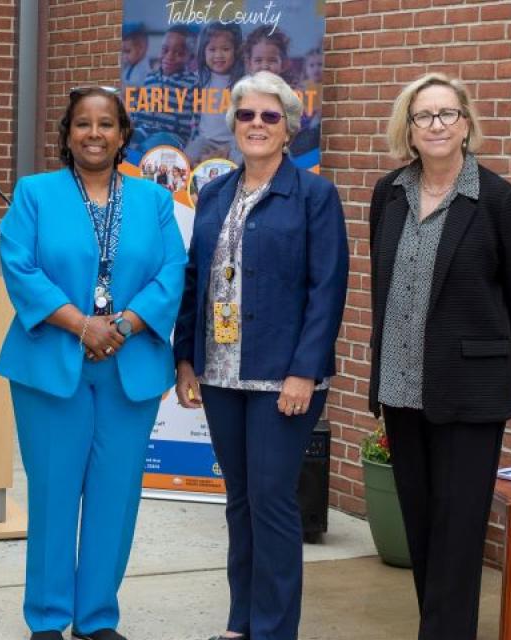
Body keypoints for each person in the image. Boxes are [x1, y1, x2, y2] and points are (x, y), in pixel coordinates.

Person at [0, 86, 186, 640]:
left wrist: (123, 324)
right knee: (53, 494)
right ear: (67, 135)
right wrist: (82, 325)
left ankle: (98, 617)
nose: (95, 134)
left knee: (116, 494)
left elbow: (173, 269)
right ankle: (49, 620)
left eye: (107, 124)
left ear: (124, 134)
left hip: (130, 365)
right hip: (52, 364)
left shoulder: (153, 200)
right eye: (83, 124)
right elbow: (21, 267)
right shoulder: (34, 193)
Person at [173, 71, 348, 640]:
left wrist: (305, 371)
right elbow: (195, 278)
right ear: (234, 125)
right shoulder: (215, 192)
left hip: (282, 378)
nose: (256, 125)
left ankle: (274, 629)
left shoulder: (315, 196)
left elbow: (328, 288)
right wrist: (186, 359)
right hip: (221, 371)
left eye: (270, 117)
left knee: (272, 502)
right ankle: (240, 622)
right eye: (246, 115)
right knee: (240, 502)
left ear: (289, 127)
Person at [368, 73, 511, 640]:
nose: (435, 125)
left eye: (446, 114)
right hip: (400, 389)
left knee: (459, 534)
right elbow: (382, 286)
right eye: (423, 116)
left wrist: (479, 360)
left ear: (466, 123)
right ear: (409, 130)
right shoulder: (388, 194)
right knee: (421, 529)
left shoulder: (499, 201)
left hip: (469, 395)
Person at [130, 24, 197, 149]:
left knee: (154, 143)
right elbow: (138, 106)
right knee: (122, 136)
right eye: (165, 50)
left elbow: (197, 119)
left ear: (190, 57)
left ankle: (139, 159)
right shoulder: (150, 78)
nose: (169, 56)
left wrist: (192, 145)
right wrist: (132, 122)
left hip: (173, 136)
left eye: (179, 53)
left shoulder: (193, 83)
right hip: (144, 130)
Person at [186, 23, 244, 165]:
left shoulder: (243, 80)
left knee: (242, 161)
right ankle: (210, 161)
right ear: (203, 52)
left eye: (225, 49)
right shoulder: (201, 77)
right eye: (212, 49)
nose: (218, 55)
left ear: (236, 51)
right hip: (206, 139)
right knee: (186, 157)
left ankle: (219, 161)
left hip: (234, 141)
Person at [120, 22, 150, 87]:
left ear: (141, 49)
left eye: (127, 51)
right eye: (121, 52)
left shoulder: (145, 70)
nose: (123, 56)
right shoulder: (129, 66)